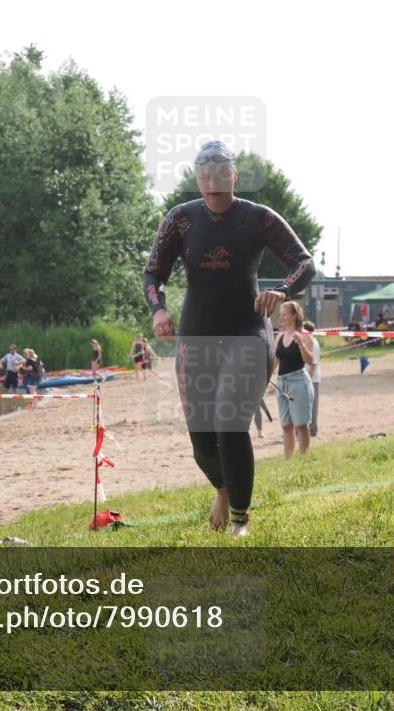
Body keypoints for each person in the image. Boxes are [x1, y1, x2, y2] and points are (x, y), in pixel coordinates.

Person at [144, 140, 314, 537]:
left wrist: (281, 290)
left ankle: (240, 520)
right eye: (204, 176)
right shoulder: (181, 219)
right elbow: (154, 272)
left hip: (246, 332)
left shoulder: (258, 217)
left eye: (221, 175)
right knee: (202, 441)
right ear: (197, 179)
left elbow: (304, 262)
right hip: (197, 335)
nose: (213, 183)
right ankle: (223, 489)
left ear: (235, 177)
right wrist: (158, 309)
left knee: (229, 424)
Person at [275, 303, 316, 459]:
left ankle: (303, 459)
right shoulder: (280, 336)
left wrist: (300, 344)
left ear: (294, 315)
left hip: (299, 382)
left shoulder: (305, 335)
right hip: (282, 383)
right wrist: (266, 377)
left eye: (284, 314)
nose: (281, 317)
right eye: (281, 314)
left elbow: (310, 360)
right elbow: (276, 361)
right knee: (286, 426)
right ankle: (288, 460)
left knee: (301, 424)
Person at [302, 320, 322, 437]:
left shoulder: (314, 343)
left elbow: (313, 364)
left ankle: (313, 428)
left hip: (312, 378)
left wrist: (307, 379)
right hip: (308, 376)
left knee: (313, 405)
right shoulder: (307, 343)